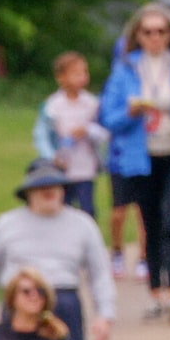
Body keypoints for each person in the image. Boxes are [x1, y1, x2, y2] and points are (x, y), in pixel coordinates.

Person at [101, 6, 170, 321]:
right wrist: (131, 113)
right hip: (142, 155)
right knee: (150, 224)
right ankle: (155, 293)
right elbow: (108, 116)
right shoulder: (125, 69)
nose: (155, 38)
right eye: (148, 32)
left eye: (161, 31)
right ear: (137, 35)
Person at [0, 160, 116, 340]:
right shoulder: (7, 225)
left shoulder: (82, 224)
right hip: (19, 304)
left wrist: (105, 315)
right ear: (28, 193)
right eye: (41, 187)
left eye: (53, 186)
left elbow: (99, 273)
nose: (49, 192)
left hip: (63, 302)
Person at [35, 51, 107, 216]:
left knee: (87, 209)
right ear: (61, 77)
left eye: (84, 72)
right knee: (62, 208)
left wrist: (87, 130)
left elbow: (105, 132)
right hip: (62, 167)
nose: (82, 77)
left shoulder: (92, 103)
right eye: (76, 73)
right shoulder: (52, 106)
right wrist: (51, 157)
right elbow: (41, 135)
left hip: (85, 167)